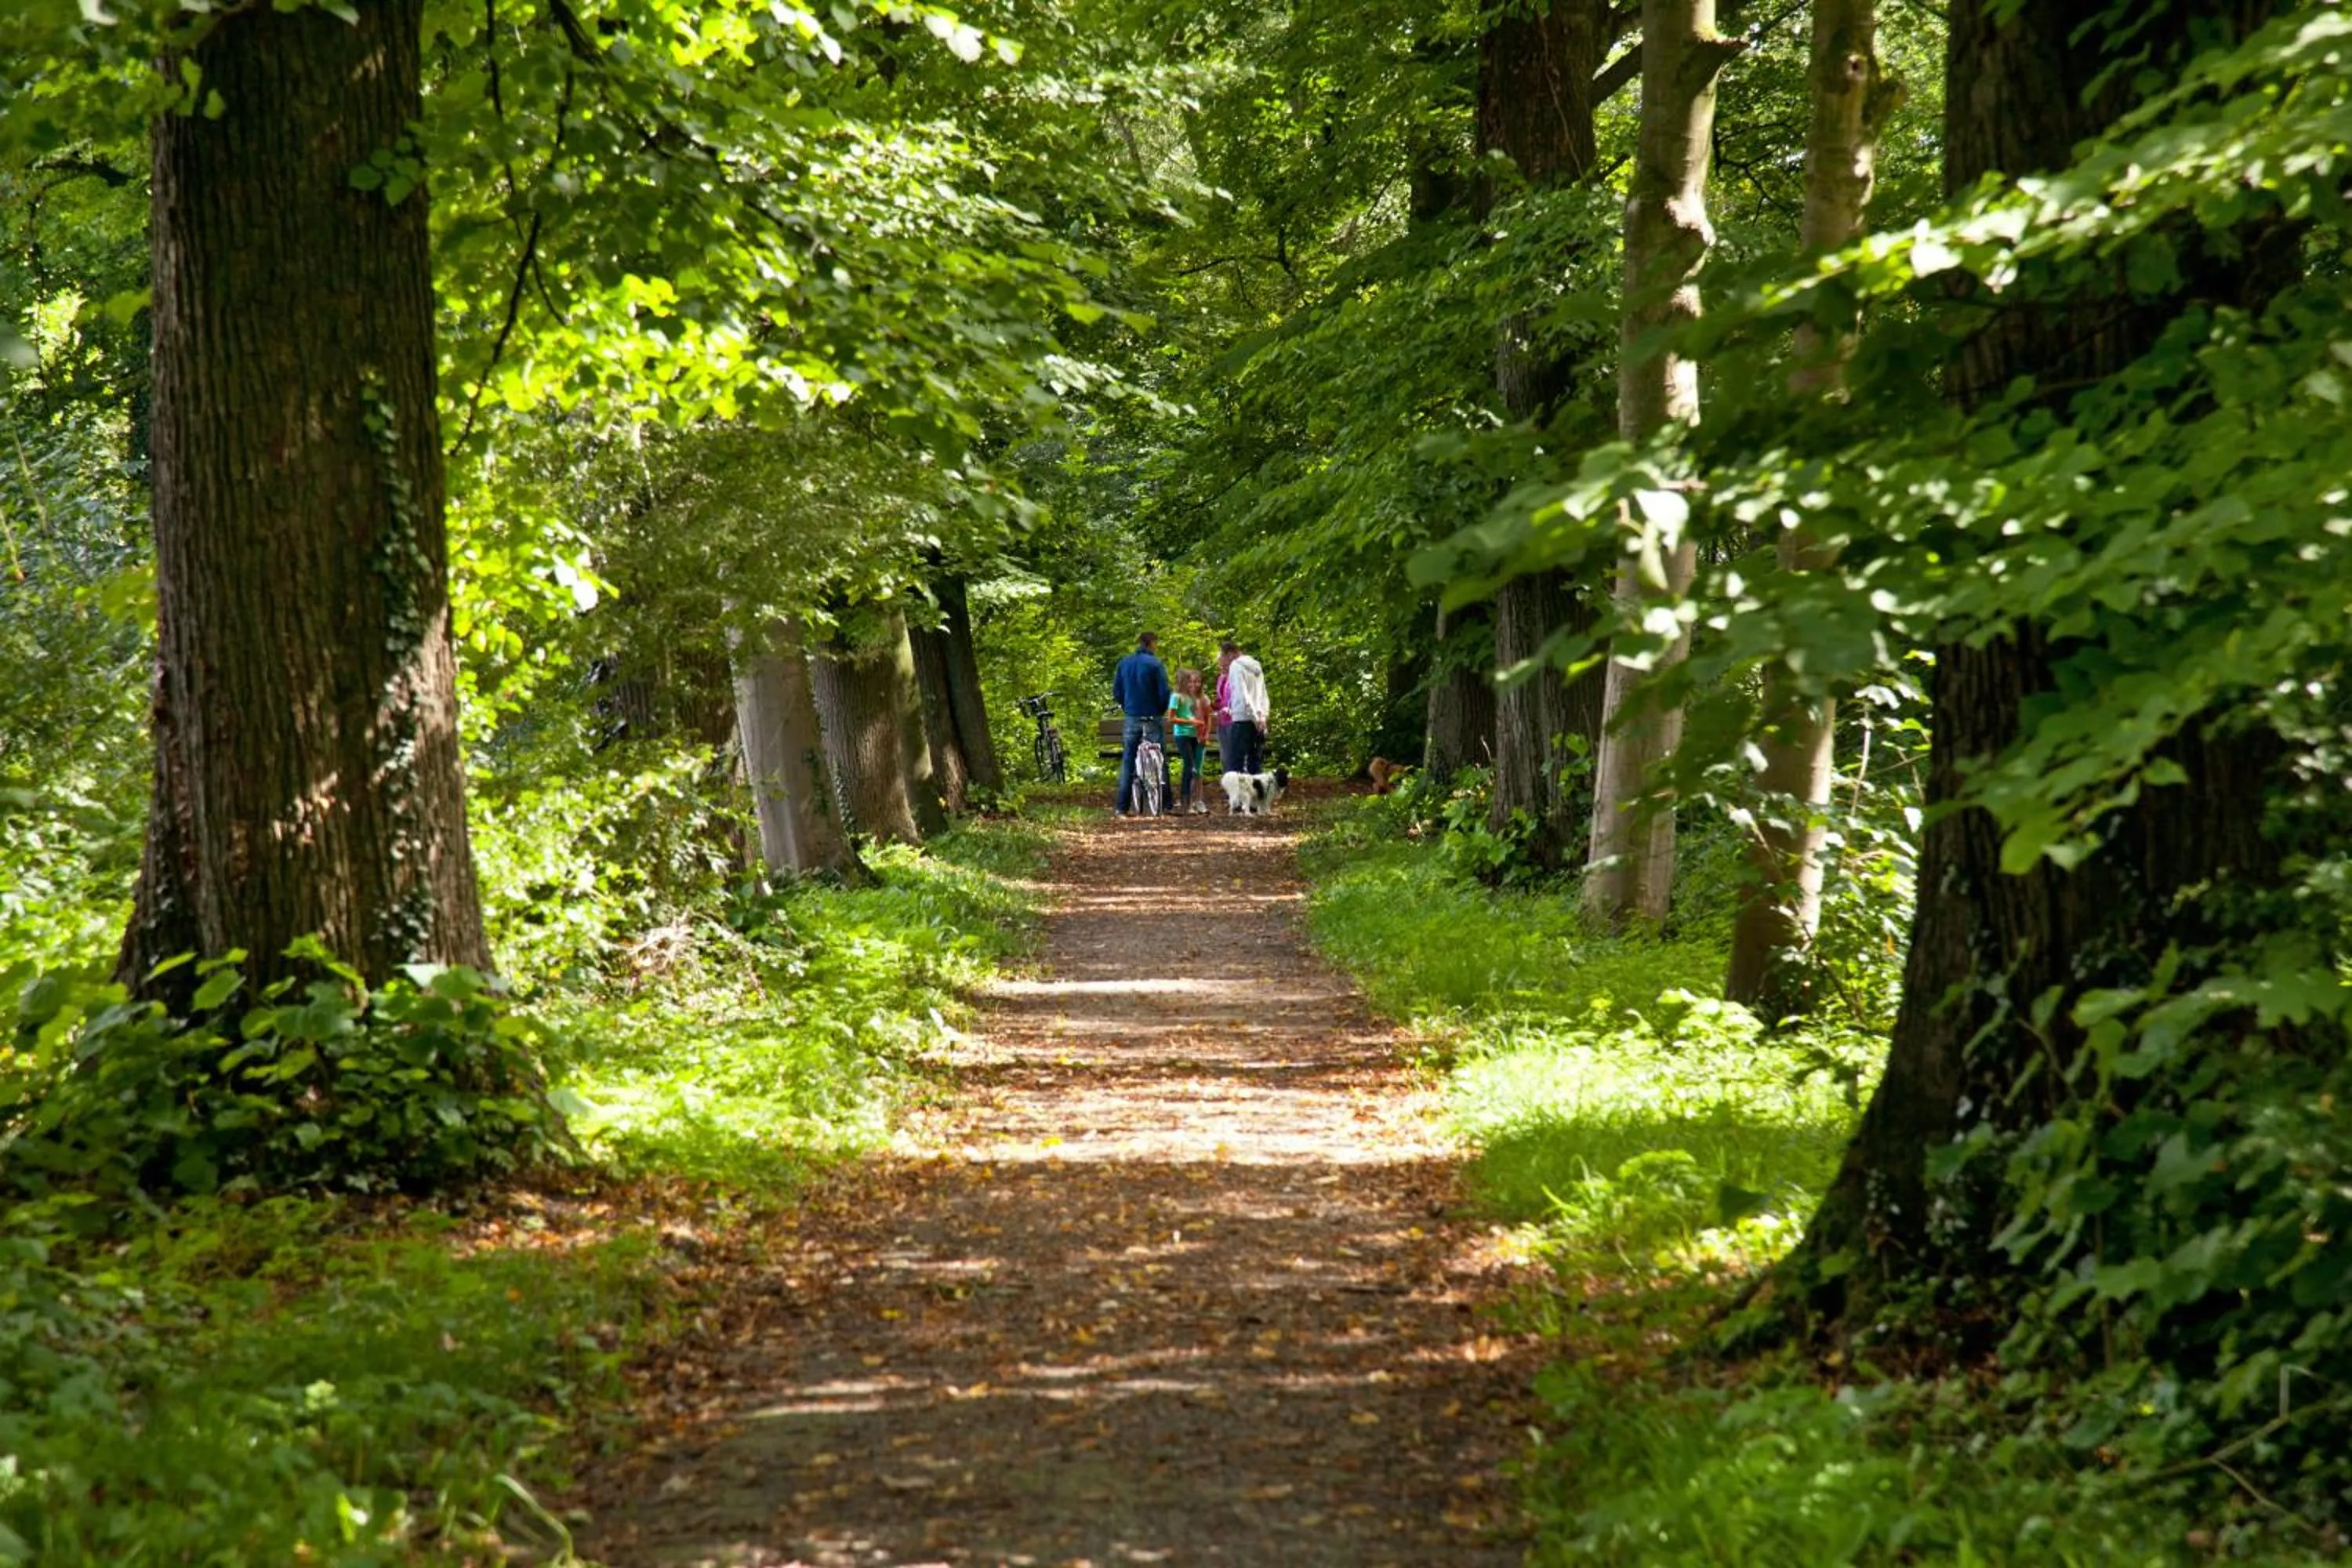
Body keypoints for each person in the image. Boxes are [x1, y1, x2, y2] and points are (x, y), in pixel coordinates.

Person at [1111, 631, 1171, 817]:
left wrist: (1127, 707)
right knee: (1160, 757)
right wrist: (1160, 710)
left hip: (1132, 716)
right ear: (1152, 643)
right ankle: (1166, 803)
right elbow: (1164, 693)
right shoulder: (1156, 664)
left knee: (1128, 760)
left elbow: (1117, 692)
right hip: (1153, 716)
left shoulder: (1124, 663)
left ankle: (1122, 807)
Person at [1166, 667, 1210, 815]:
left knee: (1195, 768)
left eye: (1194, 681)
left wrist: (1203, 731)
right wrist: (1191, 722)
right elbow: (1171, 718)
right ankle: (1185, 804)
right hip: (1182, 735)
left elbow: (1202, 716)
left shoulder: (1193, 698)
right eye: (1188, 681)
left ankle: (1191, 803)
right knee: (1190, 766)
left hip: (1194, 736)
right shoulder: (1176, 697)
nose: (1191, 684)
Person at [1222, 637, 1270, 776]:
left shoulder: (1235, 666)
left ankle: (1238, 790)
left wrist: (1255, 718)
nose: (1225, 661)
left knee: (1235, 762)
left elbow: (1242, 694)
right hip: (1258, 718)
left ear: (1230, 654)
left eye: (1224, 657)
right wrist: (1262, 717)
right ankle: (1256, 788)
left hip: (1242, 718)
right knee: (1254, 760)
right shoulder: (1256, 665)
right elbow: (1263, 693)